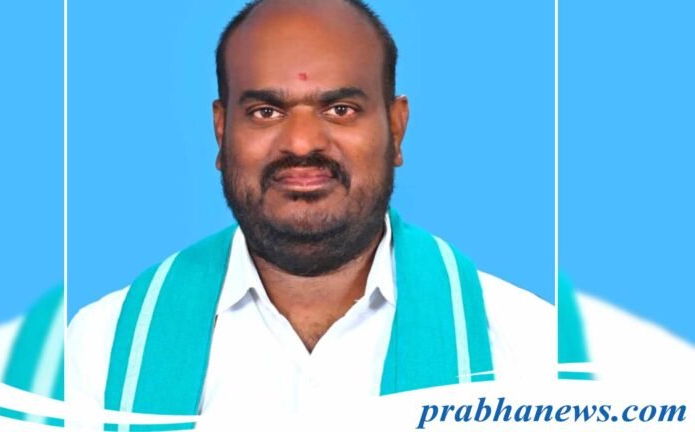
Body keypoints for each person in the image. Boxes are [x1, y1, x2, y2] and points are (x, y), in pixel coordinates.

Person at [67, 0, 553, 428]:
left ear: (396, 128)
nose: (301, 143)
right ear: (221, 130)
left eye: (340, 109)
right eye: (265, 112)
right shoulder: (100, 350)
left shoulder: (533, 351)